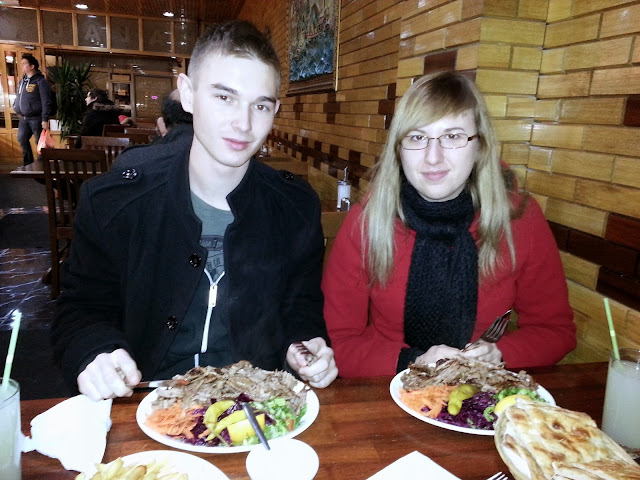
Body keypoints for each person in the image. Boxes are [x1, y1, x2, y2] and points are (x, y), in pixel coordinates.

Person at [52, 20, 338, 401]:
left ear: (275, 110)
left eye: (260, 106)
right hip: (145, 404)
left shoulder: (296, 208)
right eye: (224, 97)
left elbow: (301, 308)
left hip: (258, 407)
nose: (243, 123)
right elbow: (80, 310)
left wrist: (305, 347)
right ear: (188, 94)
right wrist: (95, 352)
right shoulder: (114, 203)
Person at [322, 71, 576, 378]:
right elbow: (338, 341)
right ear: (398, 150)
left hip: (483, 390)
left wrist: (500, 354)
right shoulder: (366, 221)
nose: (433, 158)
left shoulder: (519, 219)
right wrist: (414, 362)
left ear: (480, 145)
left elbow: (555, 331)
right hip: (386, 386)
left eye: (453, 136)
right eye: (417, 137)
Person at [13, 54, 54, 165]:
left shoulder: (40, 81)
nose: (21, 66)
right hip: (23, 118)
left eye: (24, 64)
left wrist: (45, 119)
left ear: (32, 66)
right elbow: (19, 96)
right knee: (22, 139)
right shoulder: (22, 82)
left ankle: (42, 165)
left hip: (36, 118)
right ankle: (28, 164)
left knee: (40, 143)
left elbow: (46, 101)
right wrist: (15, 105)